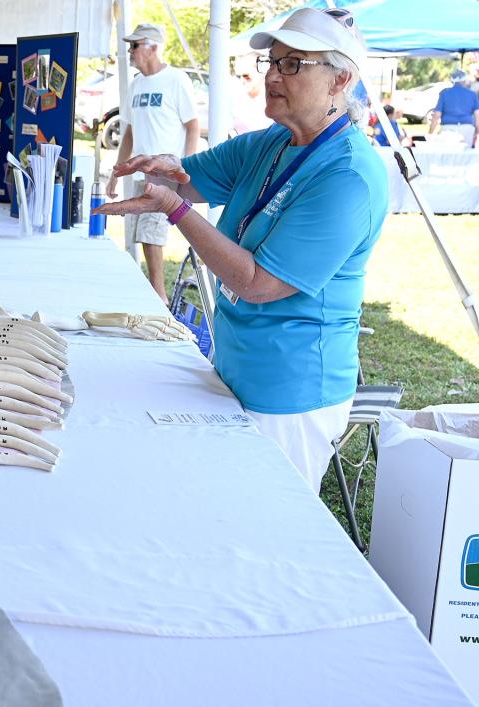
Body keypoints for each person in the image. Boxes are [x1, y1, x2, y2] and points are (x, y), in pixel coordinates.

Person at [94, 8, 388, 493]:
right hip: (237, 367)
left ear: (341, 79)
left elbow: (258, 284)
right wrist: (165, 168)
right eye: (271, 62)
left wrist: (174, 210)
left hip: (291, 390)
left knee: (270, 522)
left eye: (292, 64)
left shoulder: (349, 176)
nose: (272, 74)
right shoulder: (272, 143)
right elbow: (187, 178)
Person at [106, 23, 199, 304]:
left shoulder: (176, 79)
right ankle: (148, 293)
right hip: (137, 171)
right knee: (138, 234)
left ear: (154, 47)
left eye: (135, 46)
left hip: (165, 173)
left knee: (151, 234)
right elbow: (130, 133)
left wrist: (186, 166)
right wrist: (115, 173)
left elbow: (193, 125)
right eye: (130, 46)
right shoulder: (135, 85)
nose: (130, 51)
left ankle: (159, 297)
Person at [429, 69, 479, 148]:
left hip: (447, 129)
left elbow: (437, 115)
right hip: (467, 128)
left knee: (447, 155)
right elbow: (477, 117)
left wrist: (430, 133)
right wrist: (476, 133)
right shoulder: (472, 94)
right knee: (465, 157)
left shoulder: (444, 93)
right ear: (464, 80)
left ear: (452, 80)